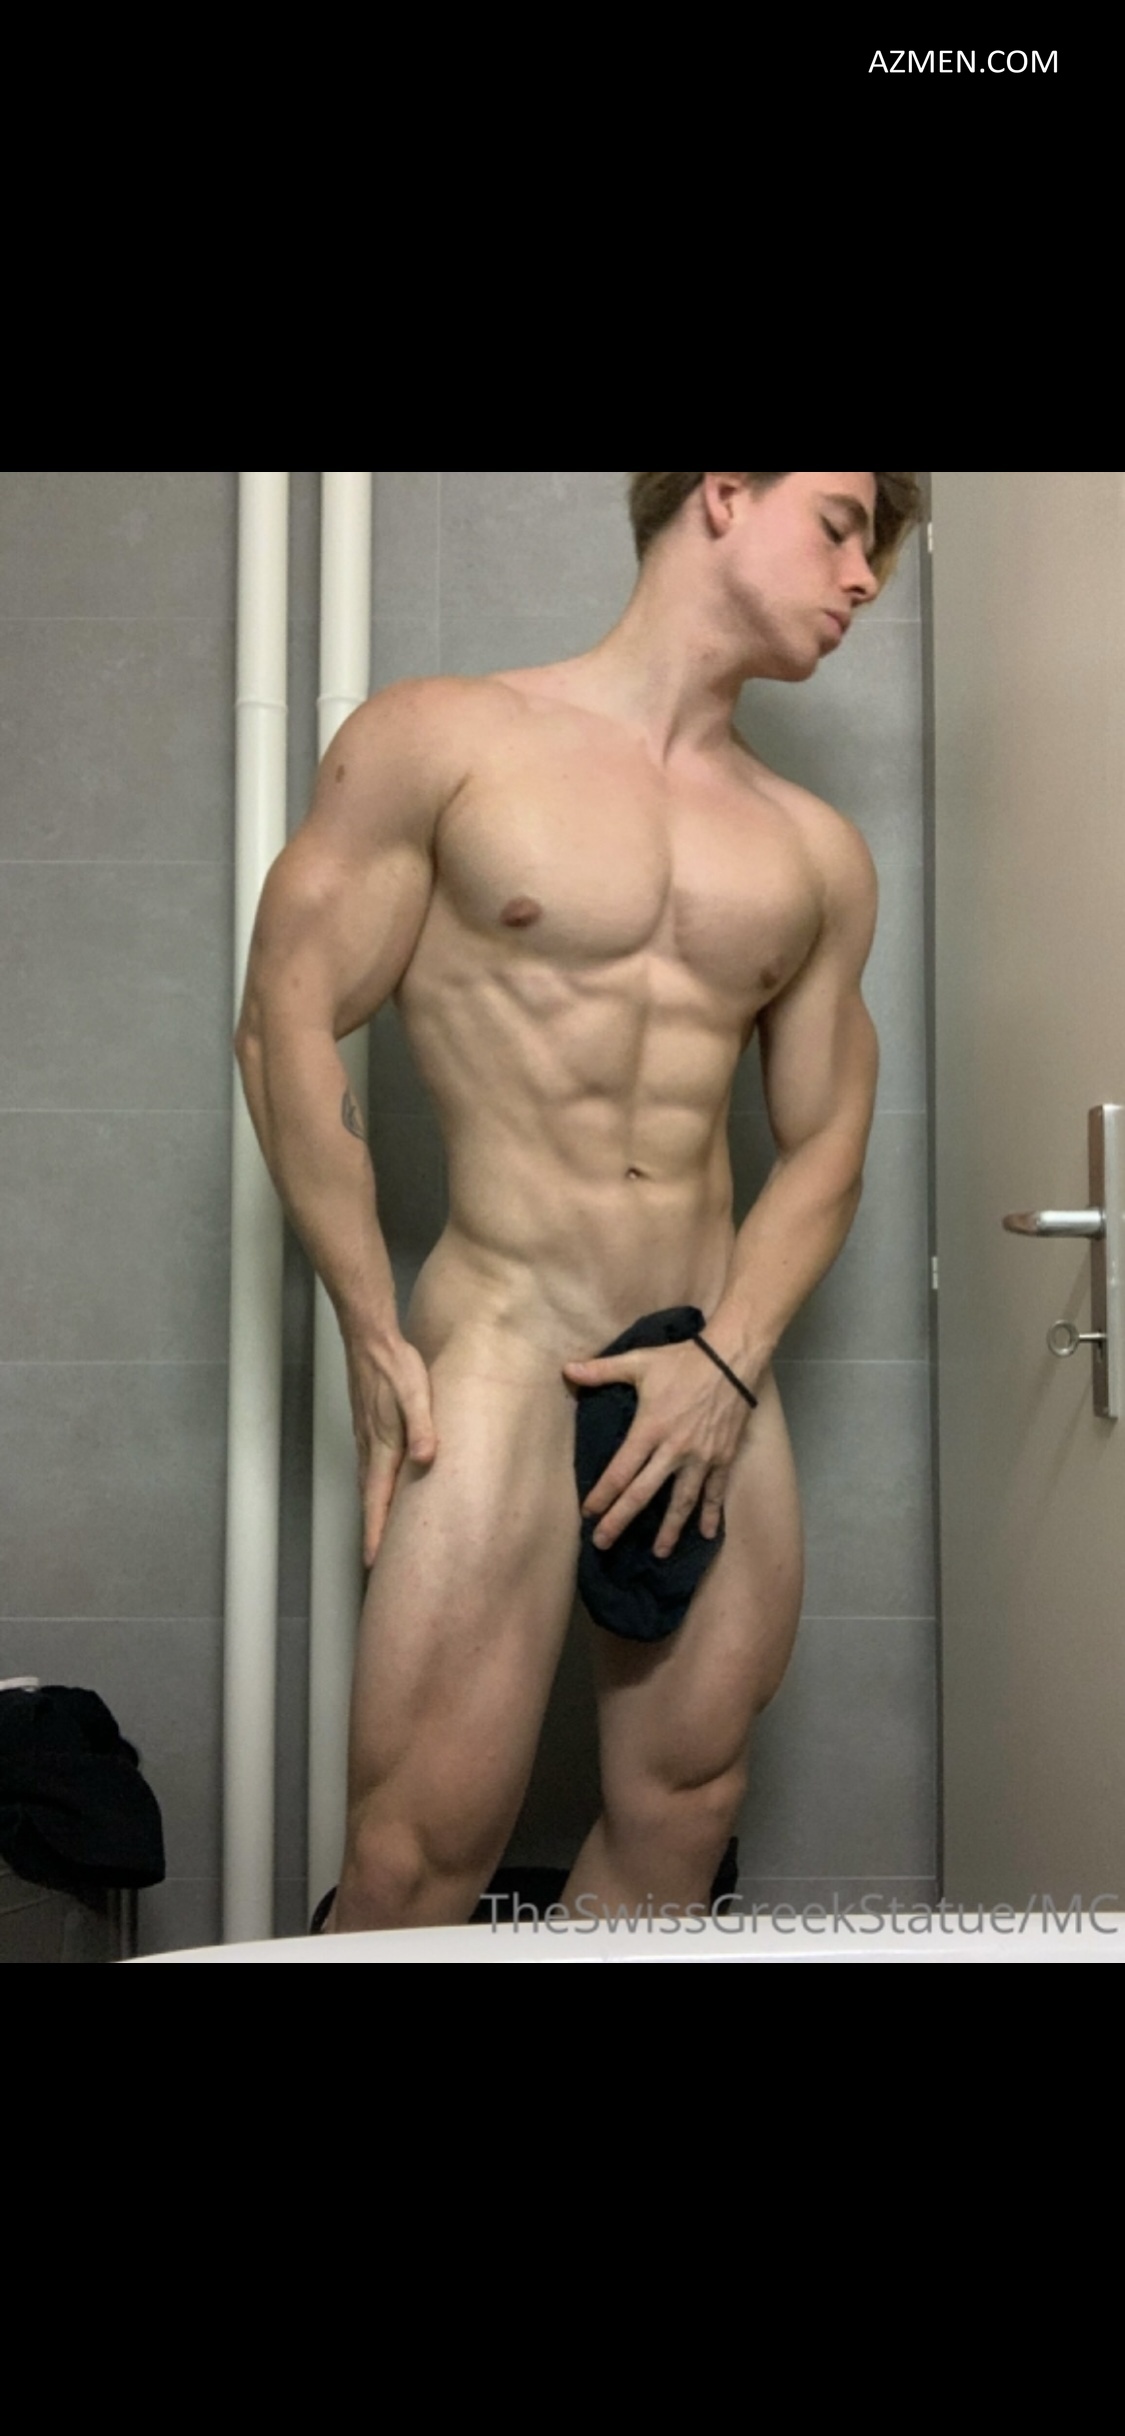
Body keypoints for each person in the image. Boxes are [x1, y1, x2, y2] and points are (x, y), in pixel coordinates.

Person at [235, 469, 922, 1935]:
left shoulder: (812, 851)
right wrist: (369, 1322)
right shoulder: (445, 742)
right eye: (842, 523)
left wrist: (730, 1358)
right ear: (722, 494)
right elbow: (285, 1016)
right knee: (415, 1852)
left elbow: (827, 1143)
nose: (865, 576)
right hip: (501, 1338)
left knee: (687, 1807)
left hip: (710, 1359)